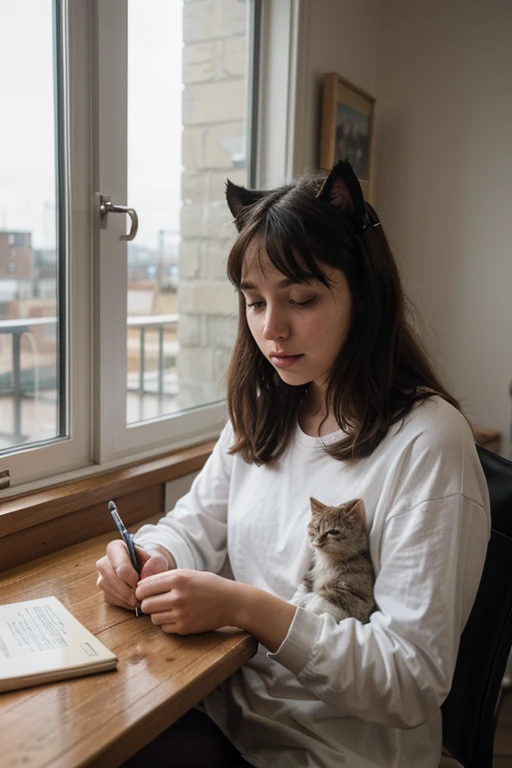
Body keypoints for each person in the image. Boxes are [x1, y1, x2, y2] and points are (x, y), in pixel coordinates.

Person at [96, 160, 490, 768]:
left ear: (364, 293)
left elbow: (411, 679)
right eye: (254, 302)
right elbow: (194, 523)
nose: (271, 329)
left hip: (331, 752)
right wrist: (150, 555)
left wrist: (248, 609)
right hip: (224, 711)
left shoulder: (428, 444)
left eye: (301, 298)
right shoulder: (265, 410)